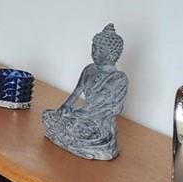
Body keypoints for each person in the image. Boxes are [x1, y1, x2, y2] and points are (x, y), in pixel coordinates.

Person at [42, 23, 128, 160]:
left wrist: (84, 116)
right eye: (93, 48)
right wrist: (64, 107)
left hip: (98, 122)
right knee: (49, 116)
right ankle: (70, 133)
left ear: (112, 55)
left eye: (99, 50)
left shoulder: (119, 79)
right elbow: (77, 91)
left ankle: (88, 141)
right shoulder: (89, 69)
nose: (94, 52)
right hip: (81, 115)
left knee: (80, 128)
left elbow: (113, 109)